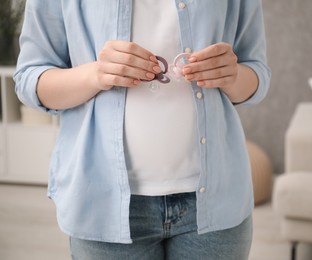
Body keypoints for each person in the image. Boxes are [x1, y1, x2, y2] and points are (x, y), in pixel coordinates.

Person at [14, 0, 271, 259]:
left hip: (215, 202)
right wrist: (97, 74)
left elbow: (257, 74)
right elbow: (29, 79)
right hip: (104, 203)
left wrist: (233, 74)